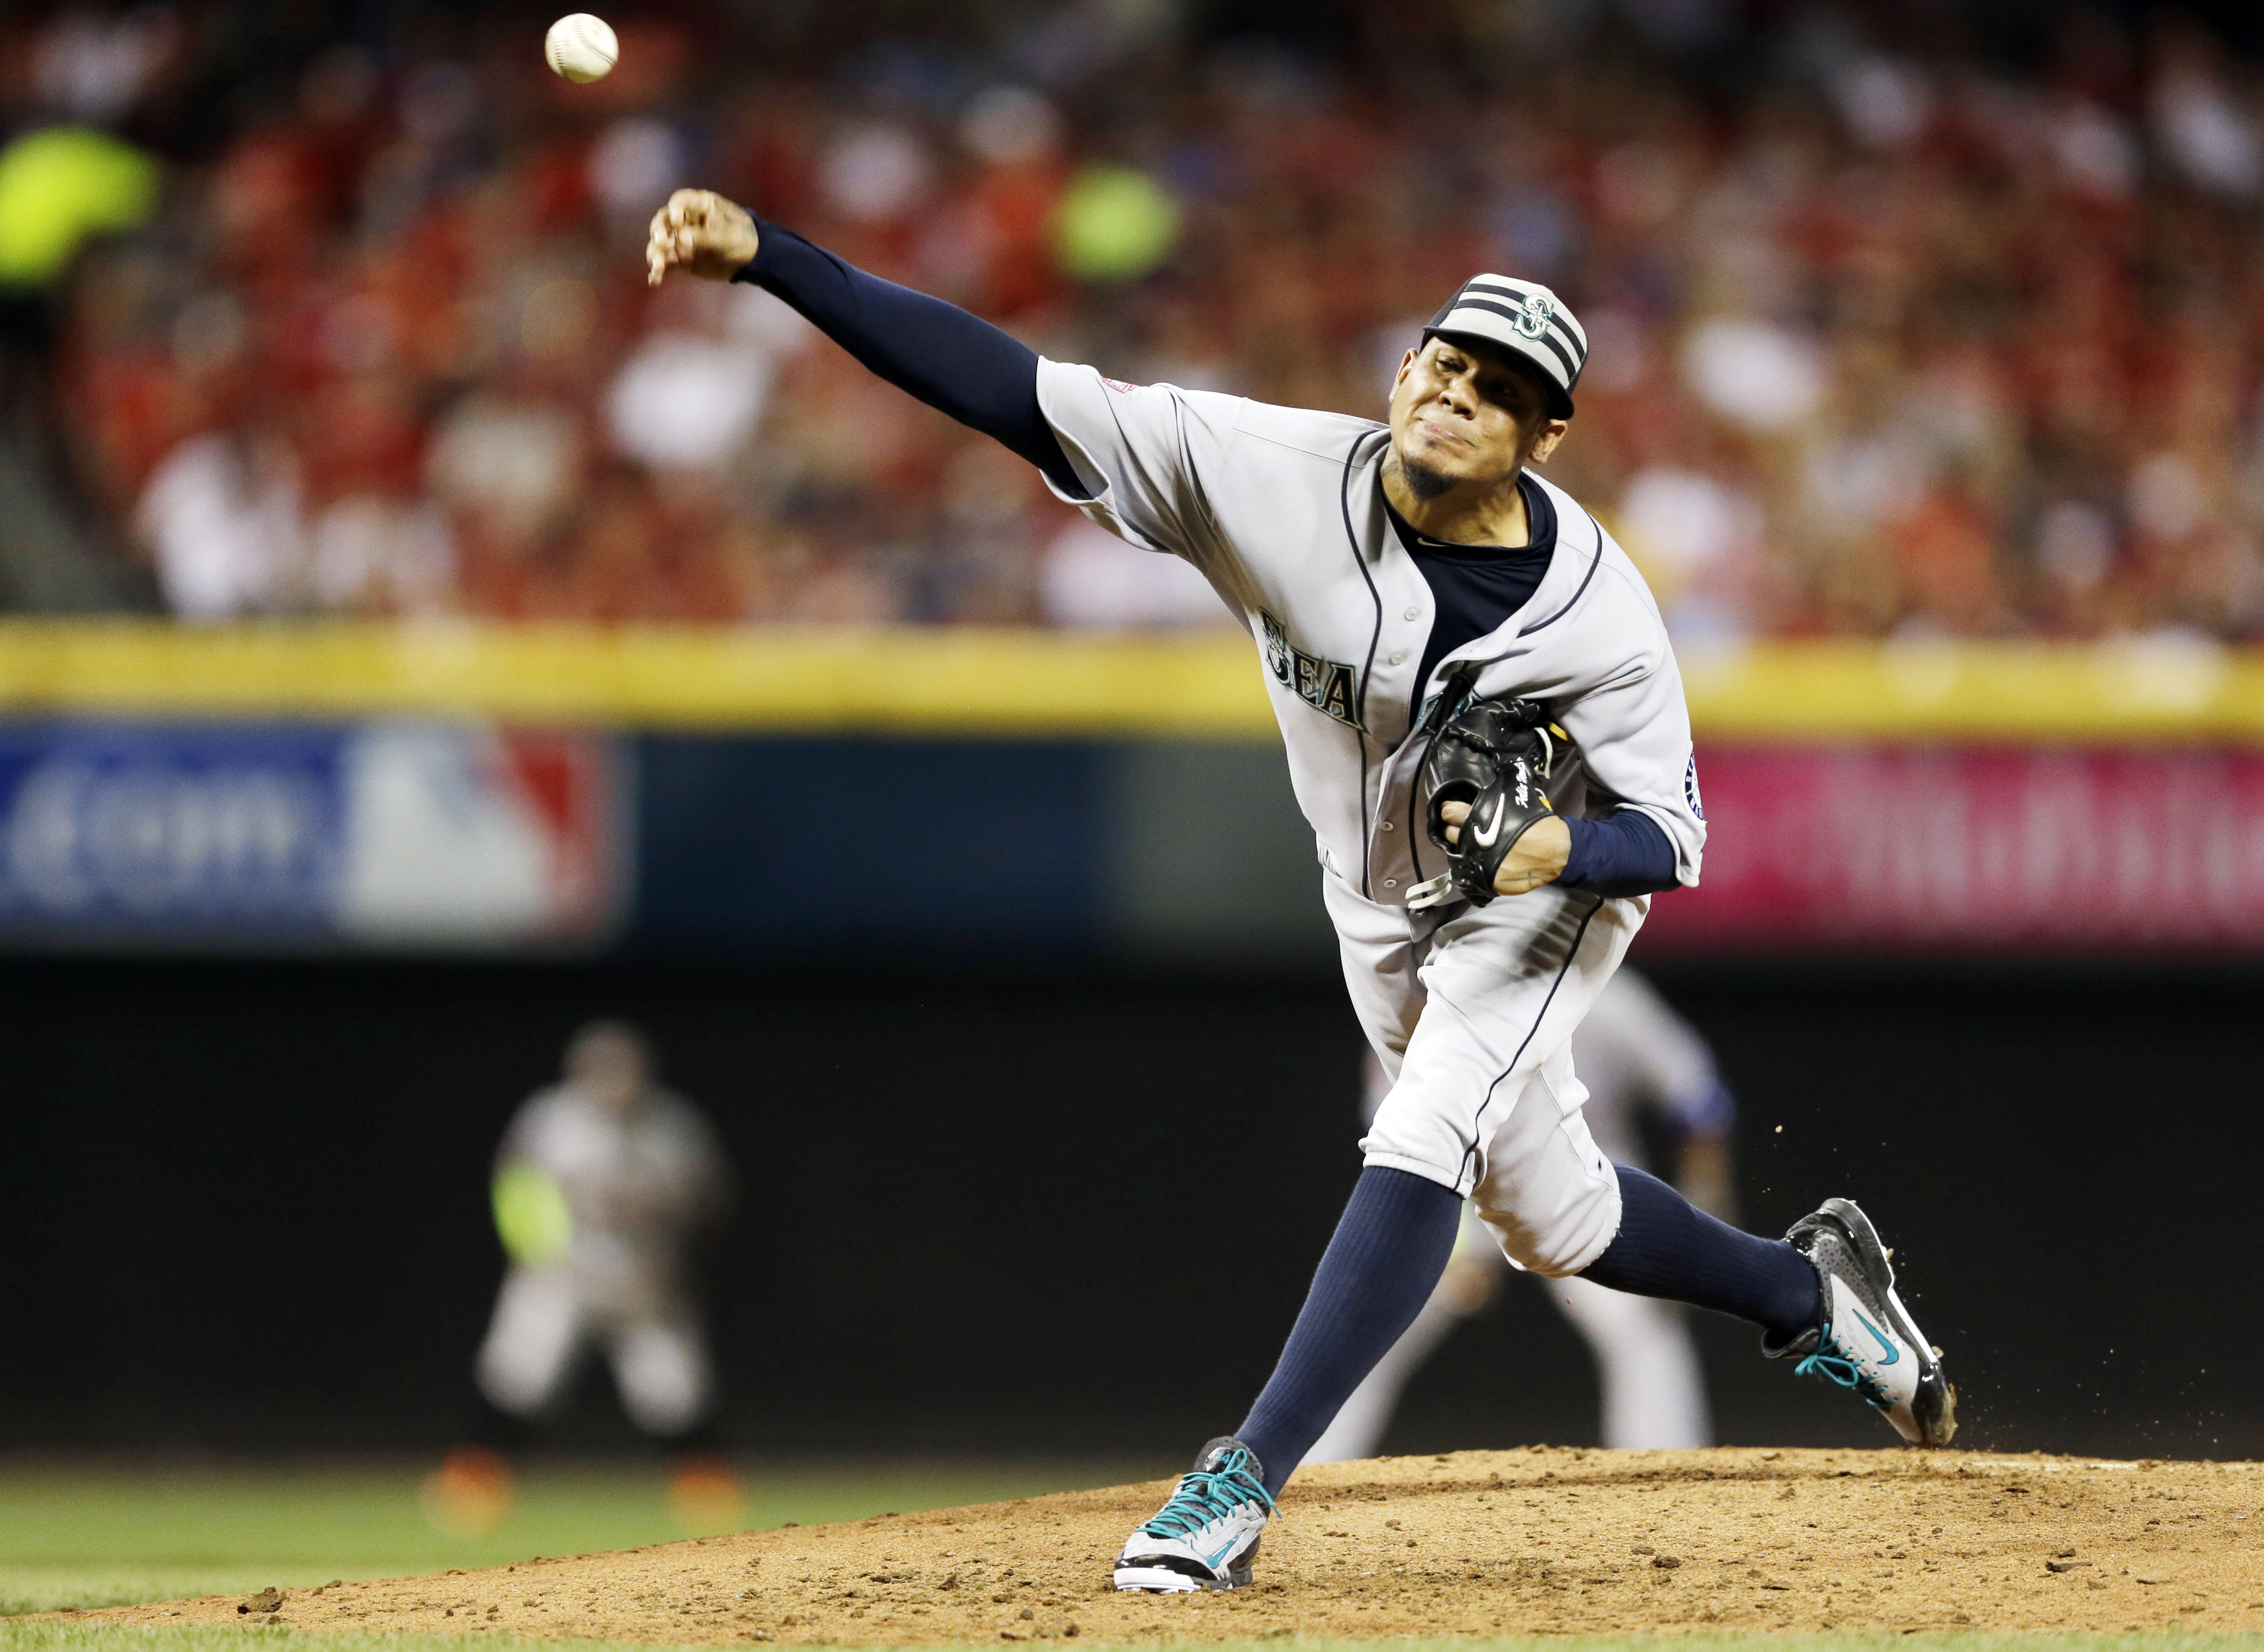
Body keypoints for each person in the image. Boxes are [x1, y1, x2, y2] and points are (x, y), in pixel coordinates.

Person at [644, 189, 1956, 1594]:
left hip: (1538, 899)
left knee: (1426, 1121)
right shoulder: (1261, 471)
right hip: (1373, 895)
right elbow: (1008, 388)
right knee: (1555, 1216)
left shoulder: (1600, 612)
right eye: (1447, 362)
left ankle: (1237, 1481)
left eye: (1501, 389)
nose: (1458, 393)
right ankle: (1816, 1297)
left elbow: (1669, 836)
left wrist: (1551, 855)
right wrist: (772, 260)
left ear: (1546, 436)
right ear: (1404, 368)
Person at [1306, 969, 1736, 1463]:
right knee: (1369, 1317)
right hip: (1461, 1182)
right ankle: (1310, 1469)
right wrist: (1458, 1247)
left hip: (1583, 1173)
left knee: (1639, 1320)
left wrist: (1703, 1205)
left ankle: (1667, 1465)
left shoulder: (1604, 995)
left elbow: (1699, 1098)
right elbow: (1407, 1146)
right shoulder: (1423, 1004)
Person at [426, 1021, 738, 1534]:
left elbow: (710, 1202)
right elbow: (517, 1187)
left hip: (645, 1283)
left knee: (674, 1389)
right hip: (562, 1277)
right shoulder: (552, 1119)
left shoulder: (676, 1127)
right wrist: (536, 1249)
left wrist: (682, 1259)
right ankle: (471, 1483)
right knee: (519, 1375)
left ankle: (705, 1490)